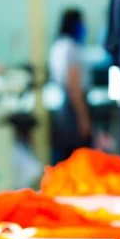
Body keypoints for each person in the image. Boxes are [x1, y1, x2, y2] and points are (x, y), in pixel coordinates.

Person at [48, 8, 92, 164]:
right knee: (77, 154)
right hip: (73, 104)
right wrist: (83, 117)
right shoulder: (71, 48)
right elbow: (73, 84)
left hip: (63, 105)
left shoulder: (58, 46)